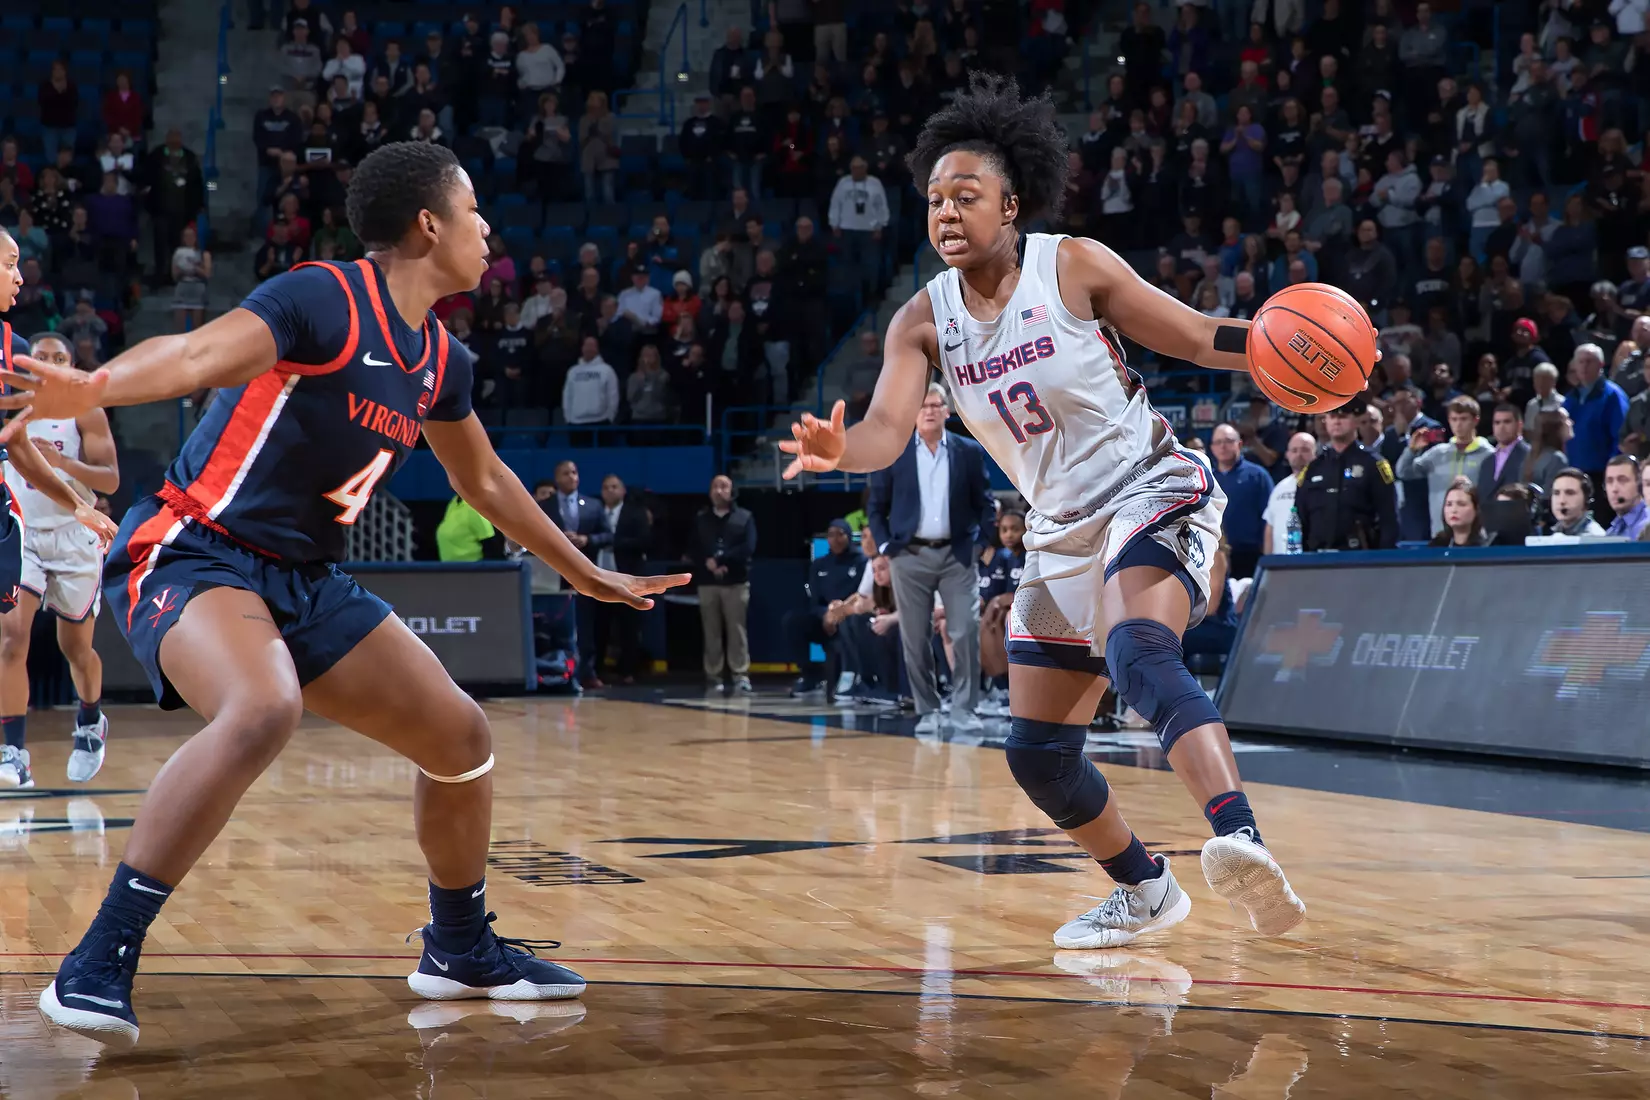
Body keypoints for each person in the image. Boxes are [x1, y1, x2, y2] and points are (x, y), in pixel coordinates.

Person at [2, 143, 687, 1048]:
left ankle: (459, 948)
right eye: (473, 209)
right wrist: (97, 384)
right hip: (194, 549)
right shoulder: (324, 297)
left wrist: (581, 567)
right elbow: (202, 353)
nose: (489, 228)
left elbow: (482, 481)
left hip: (308, 579)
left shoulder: (440, 358)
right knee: (262, 705)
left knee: (461, 738)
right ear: (429, 223)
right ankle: (98, 960)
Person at [780, 76, 1306, 950]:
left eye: (966, 195)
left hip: (1148, 486)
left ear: (1012, 203)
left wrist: (1276, 347)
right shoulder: (922, 320)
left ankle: (1240, 838)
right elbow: (880, 431)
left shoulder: (1073, 265)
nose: (945, 212)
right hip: (1058, 531)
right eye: (934, 200)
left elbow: (1189, 333)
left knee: (1138, 648)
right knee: (1037, 753)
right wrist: (840, 453)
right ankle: (1144, 890)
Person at [0, 296, 120, 793]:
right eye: (41, 358)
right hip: (22, 530)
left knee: (77, 648)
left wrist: (64, 465)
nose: (48, 365)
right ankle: (13, 751)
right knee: (11, 637)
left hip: (74, 535)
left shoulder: (85, 411)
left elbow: (110, 481)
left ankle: (90, 719)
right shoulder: (11, 402)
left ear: (73, 368)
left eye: (59, 359)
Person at [865, 384, 994, 735]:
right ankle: (928, 709)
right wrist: (887, 548)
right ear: (913, 411)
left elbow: (986, 504)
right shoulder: (895, 452)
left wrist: (981, 543)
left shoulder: (968, 451)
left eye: (936, 404)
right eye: (922, 405)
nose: (929, 410)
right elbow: (876, 508)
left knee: (964, 631)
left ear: (947, 411)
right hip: (909, 554)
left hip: (957, 554)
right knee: (914, 636)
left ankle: (965, 709)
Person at [1298, 397, 1401, 550]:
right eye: (1332, 416)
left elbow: (1389, 518)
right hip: (1317, 558)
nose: (1337, 421)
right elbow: (1301, 517)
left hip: (1359, 558)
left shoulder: (1374, 464)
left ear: (1357, 421)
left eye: (1343, 416)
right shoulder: (1314, 468)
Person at [784, 518, 868, 697]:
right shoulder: (820, 564)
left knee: (850, 625)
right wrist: (826, 615)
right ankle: (810, 675)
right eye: (831, 535)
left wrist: (839, 612)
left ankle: (856, 678)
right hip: (825, 619)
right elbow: (815, 601)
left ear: (849, 537)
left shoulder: (861, 562)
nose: (835, 539)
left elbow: (862, 596)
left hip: (849, 617)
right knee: (793, 621)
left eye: (840, 534)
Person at [688, 474, 755, 695]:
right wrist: (707, 562)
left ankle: (740, 675)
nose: (719, 490)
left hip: (735, 582)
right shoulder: (701, 518)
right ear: (709, 492)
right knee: (711, 631)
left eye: (724, 486)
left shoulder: (744, 517)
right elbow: (694, 547)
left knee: (737, 630)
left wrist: (723, 561)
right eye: (715, 486)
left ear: (732, 491)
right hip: (708, 583)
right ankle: (714, 675)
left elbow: (748, 547)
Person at [1395, 395, 1494, 535]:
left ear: (1475, 420)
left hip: (1476, 533)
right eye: (1454, 419)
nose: (1458, 425)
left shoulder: (1488, 455)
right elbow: (1403, 472)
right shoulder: (1437, 453)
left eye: (1463, 419)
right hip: (1440, 533)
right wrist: (1411, 450)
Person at [592, 475, 651, 684]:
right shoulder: (595, 512)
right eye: (606, 487)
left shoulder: (635, 513)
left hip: (626, 578)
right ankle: (596, 671)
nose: (610, 491)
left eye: (614, 487)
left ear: (623, 491)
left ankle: (628, 671)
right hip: (599, 581)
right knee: (599, 629)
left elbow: (644, 541)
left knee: (629, 628)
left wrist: (614, 543)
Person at [1208, 423, 1272, 579]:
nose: (1223, 446)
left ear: (1240, 444)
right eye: (1218, 442)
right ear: (1212, 448)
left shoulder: (1258, 475)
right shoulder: (1207, 479)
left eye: (1228, 441)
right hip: (1214, 556)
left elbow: (1269, 518)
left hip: (1250, 555)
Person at [977, 508, 1024, 714]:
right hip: (1011, 609)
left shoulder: (1030, 554)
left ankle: (1010, 689)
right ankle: (1000, 687)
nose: (1009, 535)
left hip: (1036, 611)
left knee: (1005, 619)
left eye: (1015, 529)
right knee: (990, 620)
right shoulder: (1008, 557)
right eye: (1004, 530)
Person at [1261, 431, 1316, 554]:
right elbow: (1270, 526)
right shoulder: (1280, 488)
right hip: (1281, 561)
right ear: (1287, 454)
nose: (1299, 454)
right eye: (1294, 450)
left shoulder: (1322, 484)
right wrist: (1268, 560)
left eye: (1305, 450)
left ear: (1315, 454)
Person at [1476, 403, 1530, 501]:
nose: (1501, 427)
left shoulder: (1530, 456)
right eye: (1497, 422)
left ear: (1519, 425)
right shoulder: (1487, 461)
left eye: (1507, 422)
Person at [1427, 477, 1489, 546]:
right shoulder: (1437, 545)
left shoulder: (1485, 546)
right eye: (1449, 504)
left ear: (1476, 510)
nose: (1453, 510)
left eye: (1461, 504)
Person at [1547, 468, 1606, 535]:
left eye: (1570, 493)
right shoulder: (1556, 532)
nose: (1562, 501)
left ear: (1586, 499)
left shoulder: (1594, 537)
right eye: (1556, 493)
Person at [1602, 454, 1647, 538]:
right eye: (1609, 481)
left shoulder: (1648, 526)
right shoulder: (1610, 533)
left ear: (1639, 484)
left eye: (1622, 480)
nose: (1614, 489)